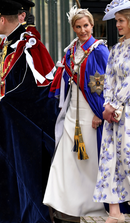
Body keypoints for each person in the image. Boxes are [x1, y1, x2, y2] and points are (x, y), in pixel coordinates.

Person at [0, 0, 58, 222]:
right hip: (9, 122)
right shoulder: (14, 42)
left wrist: (6, 105)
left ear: (2, 19)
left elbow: (39, 88)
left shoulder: (29, 45)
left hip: (23, 124)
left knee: (23, 175)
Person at [43, 5, 108, 218]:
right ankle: (65, 205)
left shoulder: (99, 49)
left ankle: (92, 205)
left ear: (92, 25)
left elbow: (104, 84)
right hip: (72, 111)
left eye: (86, 26)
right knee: (67, 158)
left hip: (92, 112)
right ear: (73, 28)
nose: (83, 30)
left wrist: (100, 113)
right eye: (78, 27)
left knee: (88, 162)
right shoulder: (70, 51)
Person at [92, 1, 130, 222]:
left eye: (121, 21)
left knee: (127, 157)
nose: (117, 25)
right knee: (109, 160)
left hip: (126, 112)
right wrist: (106, 104)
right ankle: (114, 212)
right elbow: (109, 81)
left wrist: (115, 104)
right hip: (112, 114)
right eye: (116, 21)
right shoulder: (115, 49)